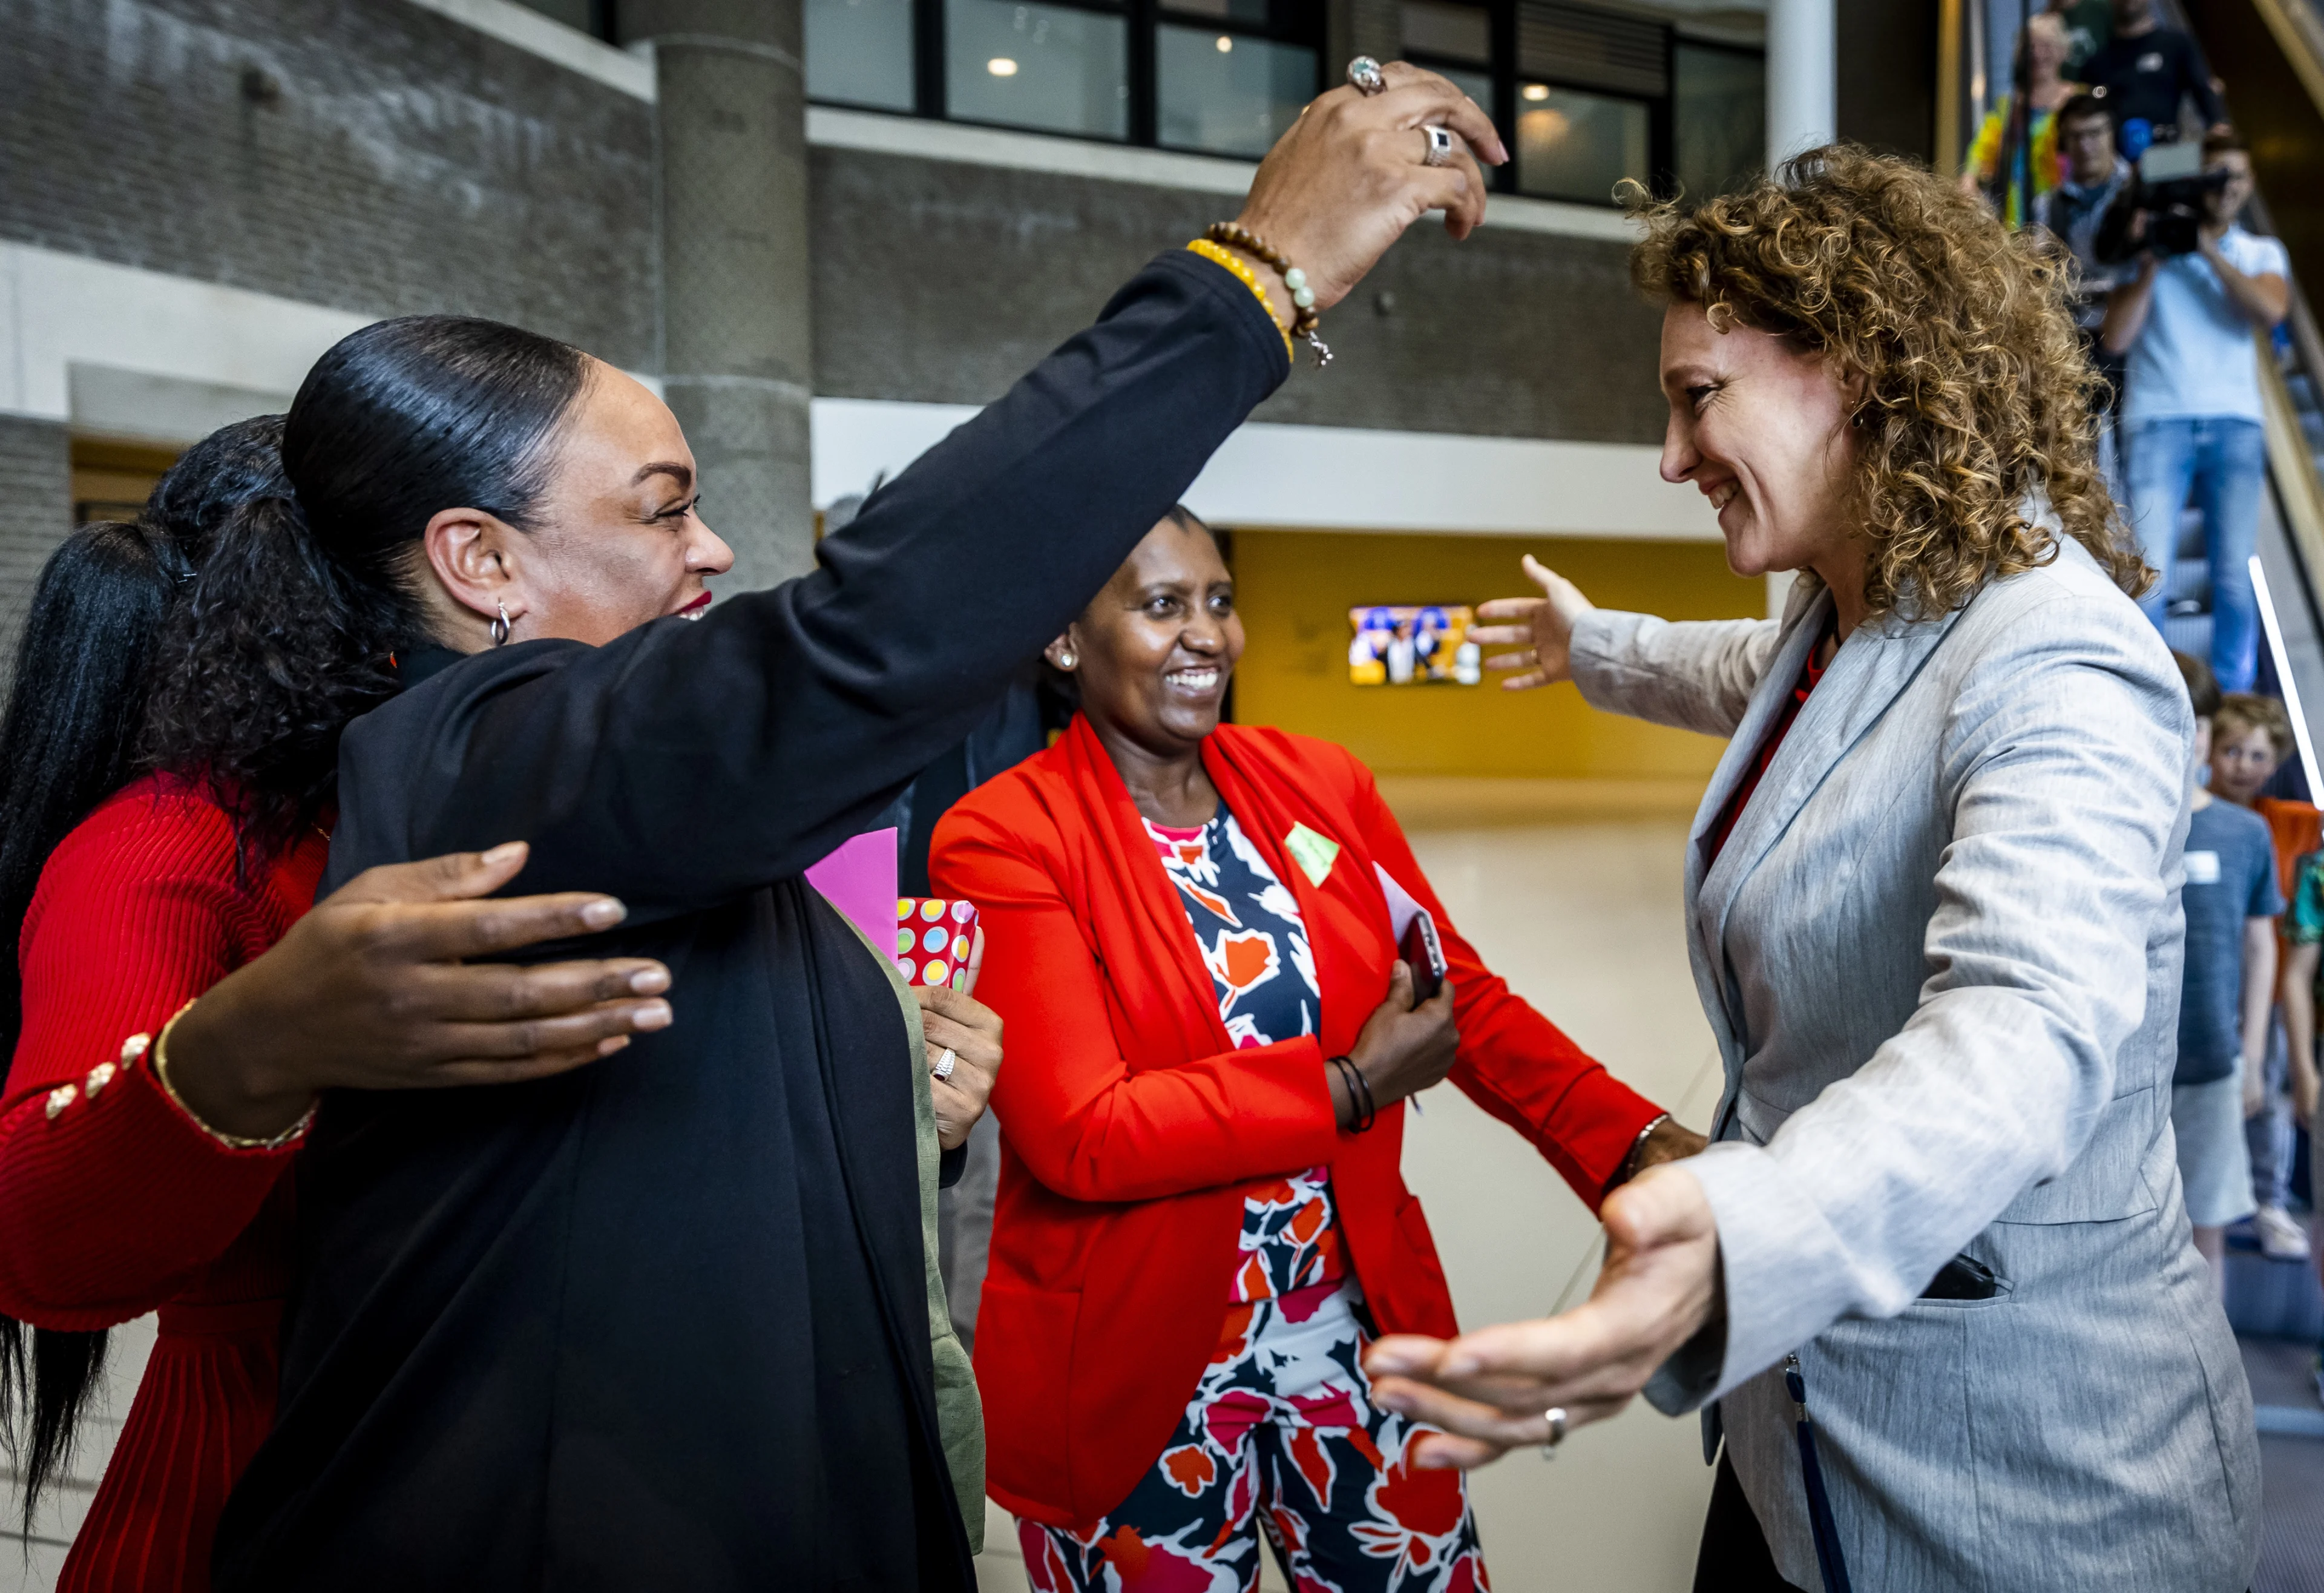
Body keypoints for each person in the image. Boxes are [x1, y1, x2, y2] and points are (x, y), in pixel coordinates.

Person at [211, 65, 1508, 1593]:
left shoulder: (599, 808)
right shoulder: (480, 761)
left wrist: (900, 1094)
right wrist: (1255, 278)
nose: (713, 546)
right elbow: (860, 636)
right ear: (480, 560)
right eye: (658, 510)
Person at [1362, 146, 2258, 1593]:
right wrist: (1600, 649)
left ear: (1853, 365)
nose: (1667, 457)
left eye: (1693, 395)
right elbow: (1761, 681)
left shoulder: (2055, 657)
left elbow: (2023, 1027)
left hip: (2022, 1494)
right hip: (1803, 1435)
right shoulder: (1853, 609)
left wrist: (1737, 1228)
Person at [927, 507, 1699, 1590]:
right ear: (1066, 639)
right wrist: (1347, 1084)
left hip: (1352, 1334)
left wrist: (1634, 1138)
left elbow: (1454, 990)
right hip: (1138, 1373)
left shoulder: (1314, 782)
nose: (1207, 634)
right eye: (1161, 606)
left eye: (1219, 601)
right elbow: (1084, 1133)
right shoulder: (1006, 836)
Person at [0, 429, 692, 1592]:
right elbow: (40, 1242)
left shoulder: (485, 811)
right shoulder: (171, 848)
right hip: (265, 1469)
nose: (701, 554)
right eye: (663, 514)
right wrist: (264, 1044)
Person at [2103, 130, 2290, 694]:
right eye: (2214, 174)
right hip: (2158, 420)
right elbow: (2114, 338)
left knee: (2234, 577)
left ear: (2249, 183)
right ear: (2194, 180)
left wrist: (2205, 249)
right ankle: (2155, 699)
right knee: (2151, 577)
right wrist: (2156, 260)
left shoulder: (2260, 252)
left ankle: (2232, 703)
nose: (2225, 185)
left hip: (2236, 423)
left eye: (2234, 175)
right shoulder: (2150, 249)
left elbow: (2269, 309)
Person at [2167, 653, 2276, 1289]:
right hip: (2120, 1069)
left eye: (2198, 724)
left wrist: (2254, 1056)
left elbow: (2262, 945)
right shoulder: (2118, 824)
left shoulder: (2243, 832)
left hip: (2211, 1063)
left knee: (2206, 1225)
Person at [2209, 692, 2316, 1261]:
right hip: (2204, 986)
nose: (2243, 766)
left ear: (2274, 764)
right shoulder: (2194, 815)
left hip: (2266, 988)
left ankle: (2269, 1201)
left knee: (2267, 1093)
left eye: (2257, 755)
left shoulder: (2286, 824)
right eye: (2232, 751)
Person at [2030, 93, 2134, 484]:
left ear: (2111, 134)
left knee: (2138, 463)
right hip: (2077, 339)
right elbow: (2041, 271)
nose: (2086, 145)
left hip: (2136, 340)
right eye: (2075, 137)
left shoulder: (2139, 192)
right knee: (2077, 460)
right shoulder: (2050, 204)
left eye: (2095, 133)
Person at [1960, 13, 2083, 226]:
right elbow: (1981, 152)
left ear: (2063, 52)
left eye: (2046, 46)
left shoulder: (2079, 100)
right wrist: (1970, 180)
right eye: (2030, 47)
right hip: (2014, 214)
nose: (2037, 54)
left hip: (2065, 213)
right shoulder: (2008, 105)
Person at [2082, 0, 2228, 142]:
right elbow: (2087, 107)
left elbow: (2202, 87)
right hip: (2117, 156)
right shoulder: (2097, 62)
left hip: (2166, 148)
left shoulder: (2176, 45)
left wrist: (2217, 123)